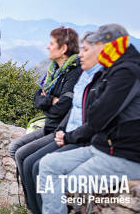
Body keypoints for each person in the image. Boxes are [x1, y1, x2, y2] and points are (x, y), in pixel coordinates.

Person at [38, 24, 140, 214]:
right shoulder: (113, 70)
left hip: (123, 156)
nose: (88, 52)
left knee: (62, 183)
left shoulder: (127, 72)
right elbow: (95, 111)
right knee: (47, 164)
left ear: (110, 45)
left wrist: (95, 108)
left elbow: (96, 117)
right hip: (101, 148)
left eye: (94, 46)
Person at [20, 32, 104, 213]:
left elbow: (67, 109)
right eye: (81, 49)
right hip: (59, 130)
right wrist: (51, 103)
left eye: (86, 50)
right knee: (23, 156)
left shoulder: (85, 76)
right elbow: (41, 98)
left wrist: (65, 134)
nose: (81, 54)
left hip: (76, 138)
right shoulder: (75, 76)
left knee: (35, 165)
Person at [7, 27, 81, 200]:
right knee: (14, 148)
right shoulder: (53, 71)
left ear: (63, 48)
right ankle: (31, 201)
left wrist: (49, 101)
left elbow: (61, 108)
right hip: (50, 125)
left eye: (51, 43)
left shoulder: (74, 72)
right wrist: (51, 100)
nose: (47, 47)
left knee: (25, 157)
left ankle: (39, 203)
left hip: (60, 129)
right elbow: (37, 99)